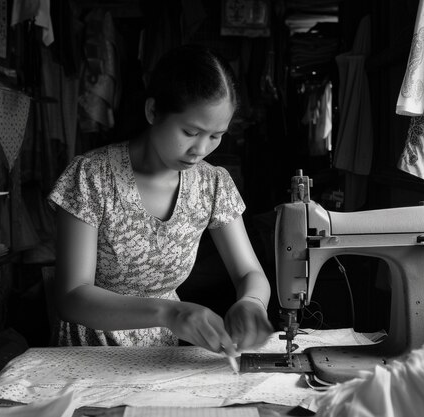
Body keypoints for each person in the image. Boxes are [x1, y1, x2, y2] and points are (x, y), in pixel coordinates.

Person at [48, 44, 273, 357]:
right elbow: (72, 296)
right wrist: (169, 312)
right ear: (153, 111)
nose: (201, 149)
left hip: (161, 358)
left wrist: (251, 303)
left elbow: (249, 273)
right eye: (190, 131)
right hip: (88, 356)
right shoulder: (91, 177)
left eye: (216, 135)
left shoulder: (213, 184)